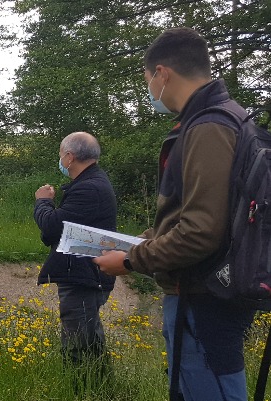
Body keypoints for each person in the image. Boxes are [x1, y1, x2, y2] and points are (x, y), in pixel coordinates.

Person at [94, 28, 256, 400]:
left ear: (162, 73)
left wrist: (132, 259)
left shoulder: (209, 127)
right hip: (206, 292)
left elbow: (201, 231)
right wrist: (143, 240)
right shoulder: (226, 118)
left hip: (202, 295)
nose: (151, 91)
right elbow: (203, 212)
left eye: (147, 81)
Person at [34, 132, 117, 392]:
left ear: (69, 157)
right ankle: (103, 391)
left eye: (61, 154)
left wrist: (43, 202)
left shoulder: (88, 188)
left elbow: (52, 226)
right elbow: (63, 229)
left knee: (78, 345)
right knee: (91, 339)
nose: (60, 159)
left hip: (83, 275)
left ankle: (82, 392)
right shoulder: (92, 182)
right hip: (86, 272)